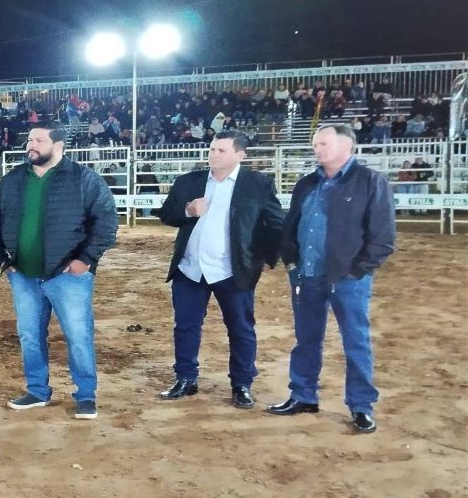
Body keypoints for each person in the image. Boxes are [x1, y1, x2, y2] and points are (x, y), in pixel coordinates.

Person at [0, 122, 117, 419]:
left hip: (68, 275)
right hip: (24, 275)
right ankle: (37, 391)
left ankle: (85, 396)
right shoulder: (13, 179)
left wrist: (86, 259)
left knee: (78, 335)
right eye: (29, 139)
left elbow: (106, 222)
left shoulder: (85, 179)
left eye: (39, 140)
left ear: (58, 145)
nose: (31, 144)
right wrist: (1, 260)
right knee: (29, 335)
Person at [268, 124, 395, 434]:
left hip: (348, 279)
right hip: (306, 275)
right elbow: (291, 224)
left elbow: (383, 236)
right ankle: (302, 394)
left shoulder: (370, 181)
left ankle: (361, 405)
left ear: (346, 146)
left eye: (323, 143)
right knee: (306, 339)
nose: (317, 149)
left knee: (355, 341)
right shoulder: (306, 183)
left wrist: (357, 270)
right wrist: (292, 261)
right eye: (315, 144)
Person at [156, 131, 284, 409]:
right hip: (190, 270)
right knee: (186, 327)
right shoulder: (189, 181)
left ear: (240, 155)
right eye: (212, 149)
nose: (213, 154)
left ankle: (242, 384)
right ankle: (185, 378)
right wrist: (188, 210)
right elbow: (166, 214)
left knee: (241, 329)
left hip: (233, 271)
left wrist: (264, 259)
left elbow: (275, 223)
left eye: (221, 150)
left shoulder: (258, 184)